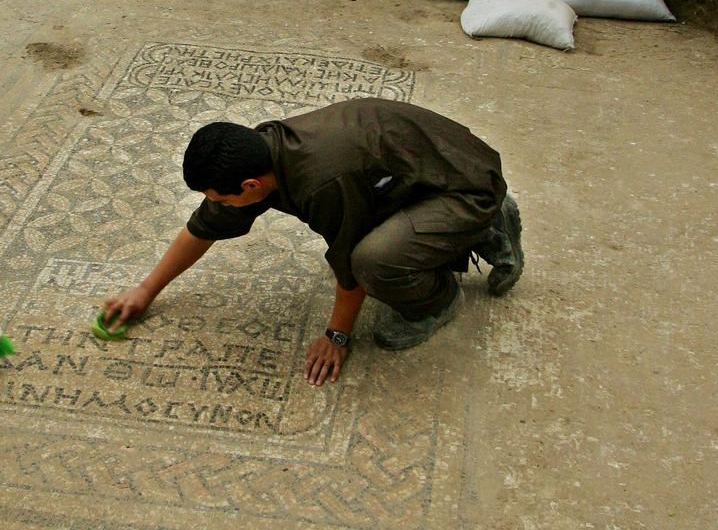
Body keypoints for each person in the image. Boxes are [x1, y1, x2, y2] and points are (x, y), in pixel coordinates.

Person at [101, 98, 524, 387]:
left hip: (465, 185)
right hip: (434, 170)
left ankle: (439, 296)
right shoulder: (261, 153)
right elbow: (204, 227)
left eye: (221, 196)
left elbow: (349, 268)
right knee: (373, 242)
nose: (219, 204)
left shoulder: (322, 180)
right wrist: (145, 289)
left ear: (249, 185)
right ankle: (472, 226)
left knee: (372, 261)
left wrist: (337, 336)